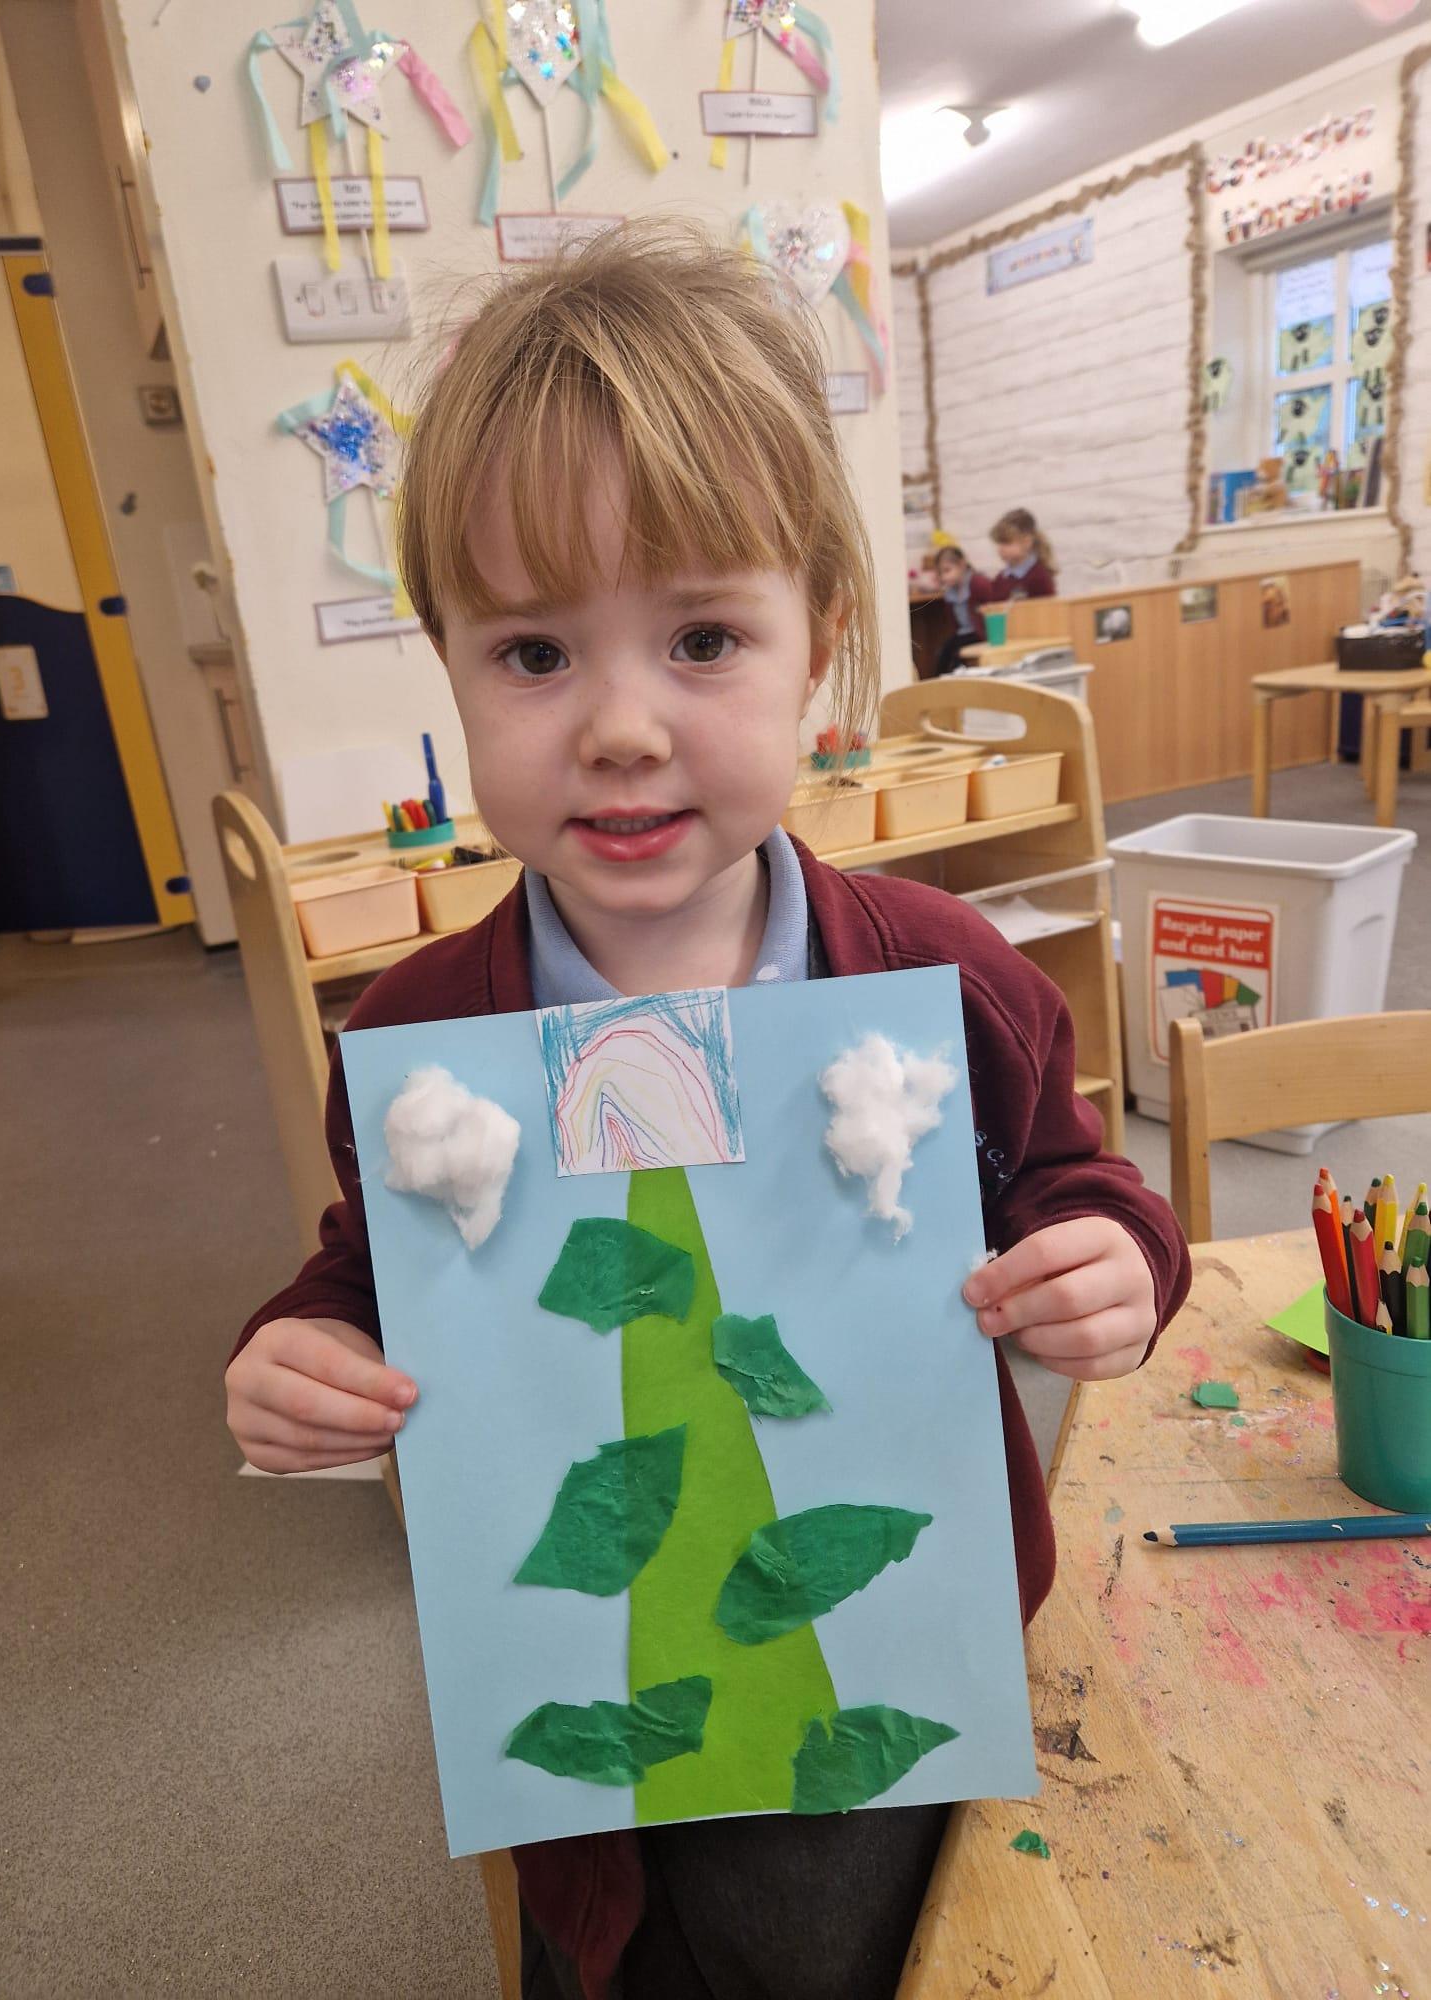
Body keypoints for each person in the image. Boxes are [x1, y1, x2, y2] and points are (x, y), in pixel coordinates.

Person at [224, 222, 1189, 2000]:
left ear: (819, 646)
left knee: (868, 1953)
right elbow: (362, 1270)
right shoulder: (428, 1036)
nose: (618, 726)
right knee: (608, 1947)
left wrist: (1113, 1263)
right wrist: (303, 1350)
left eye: (701, 638)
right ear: (447, 661)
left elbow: (1081, 1183)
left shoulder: (949, 978)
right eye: (533, 654)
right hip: (575, 1697)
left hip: (888, 1682)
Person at [925, 542, 996, 677]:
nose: (944, 577)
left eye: (947, 570)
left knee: (956, 657)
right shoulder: (950, 592)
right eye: (940, 573)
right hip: (962, 634)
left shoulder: (978, 584)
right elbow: (954, 623)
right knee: (943, 653)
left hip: (980, 634)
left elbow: (992, 610)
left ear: (962, 565)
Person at [986, 506, 1058, 601]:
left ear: (1026, 542)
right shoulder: (1000, 579)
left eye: (1006, 542)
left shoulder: (1039, 578)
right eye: (999, 543)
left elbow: (1049, 607)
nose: (1000, 549)